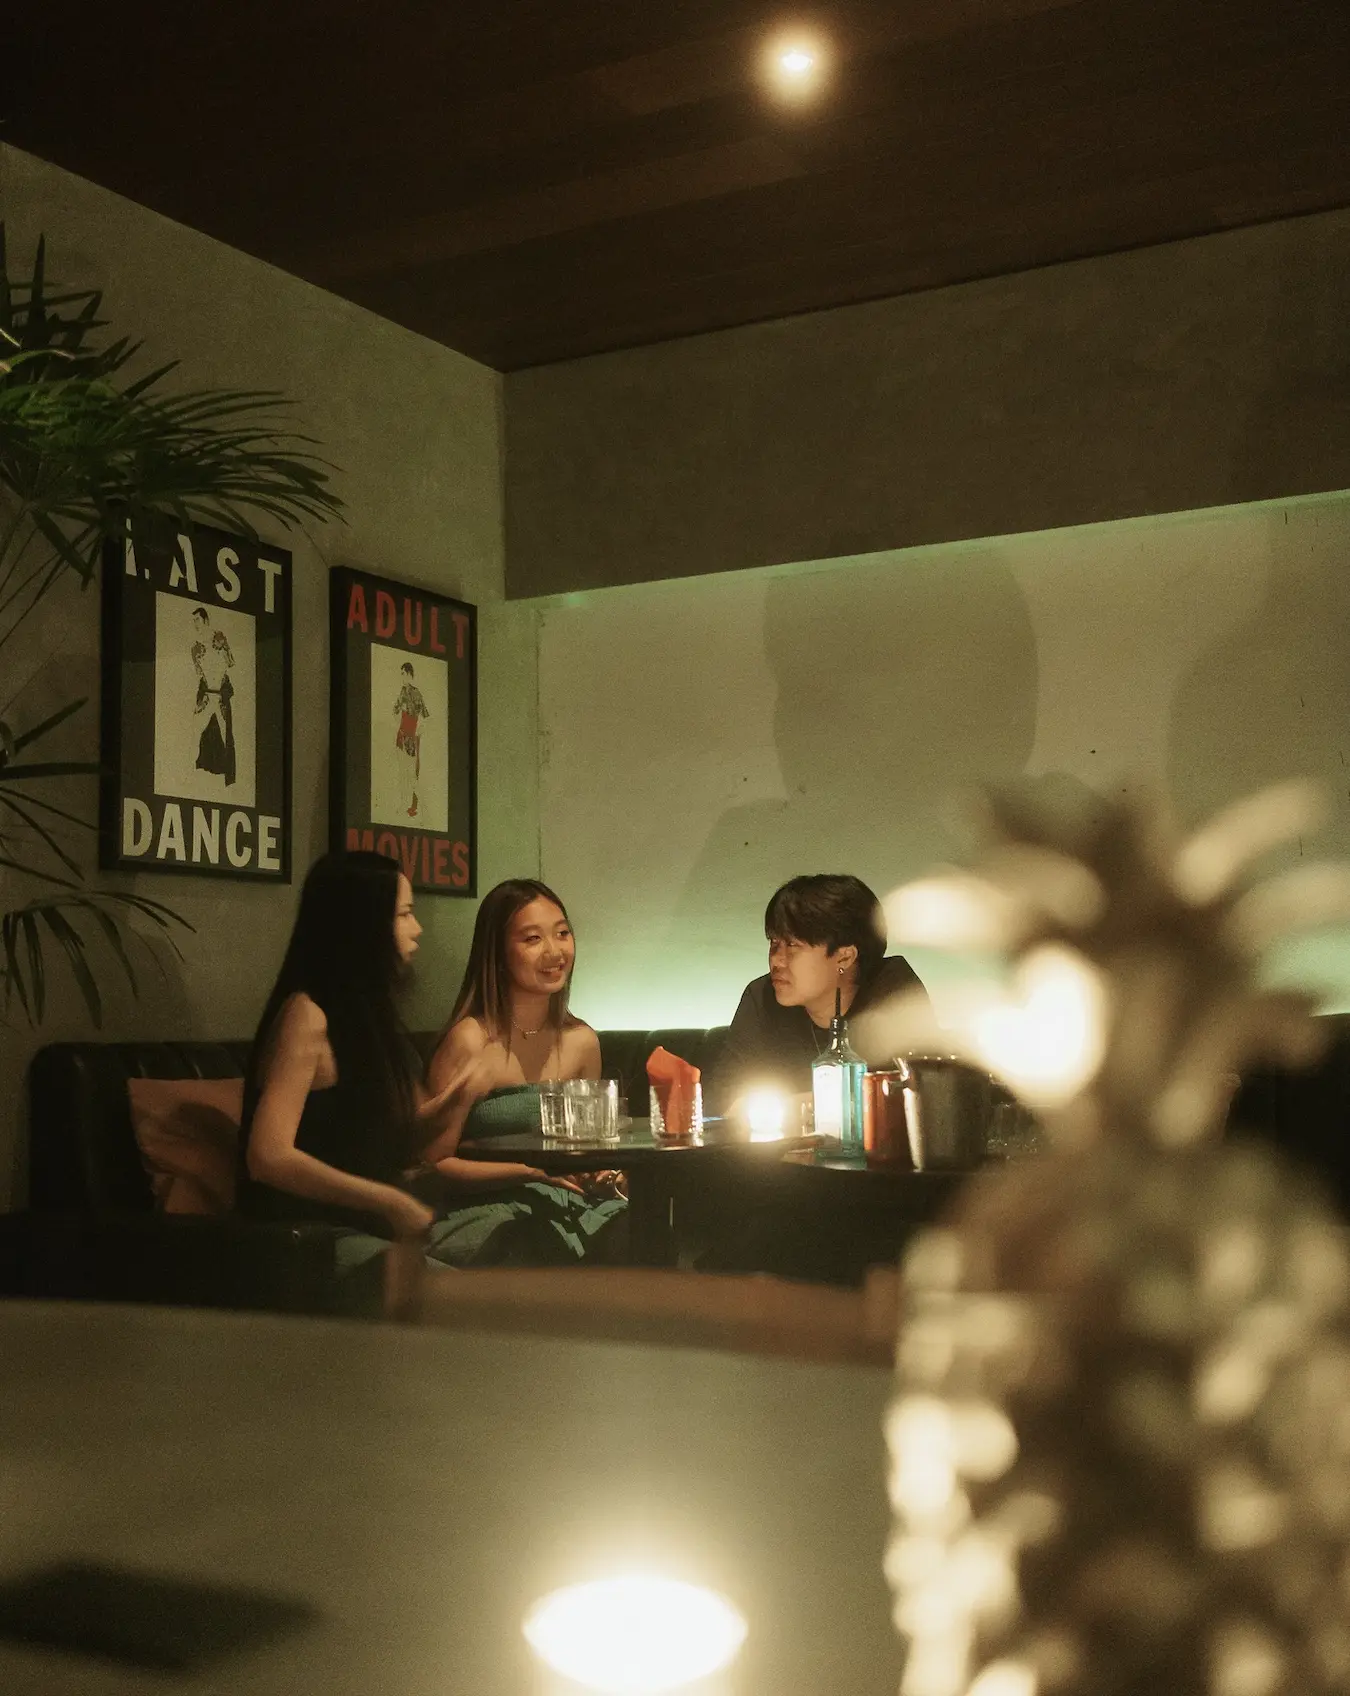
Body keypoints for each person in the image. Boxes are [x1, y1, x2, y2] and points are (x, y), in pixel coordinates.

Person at [420, 878, 624, 1255]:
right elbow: (433, 1165)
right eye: (532, 939)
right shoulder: (471, 1040)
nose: (554, 951)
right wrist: (527, 1173)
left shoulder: (582, 1041)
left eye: (562, 933)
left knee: (639, 1229)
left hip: (569, 1206)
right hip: (487, 1209)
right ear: (497, 954)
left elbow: (589, 1155)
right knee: (534, 1242)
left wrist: (602, 1175)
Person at [715, 873, 930, 1108]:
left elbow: (916, 1098)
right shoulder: (763, 998)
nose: (776, 960)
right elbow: (726, 1100)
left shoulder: (896, 996)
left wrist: (796, 1106)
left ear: (845, 957)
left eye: (792, 945)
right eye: (774, 943)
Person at [191, 604, 236, 785]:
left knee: (226, 734)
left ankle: (227, 778)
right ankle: (195, 776)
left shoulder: (219, 637)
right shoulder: (195, 647)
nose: (195, 624)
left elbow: (230, 662)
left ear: (206, 620)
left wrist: (222, 649)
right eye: (193, 621)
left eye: (197, 620)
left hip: (220, 696)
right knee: (197, 733)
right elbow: (199, 674)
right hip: (207, 695)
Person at [393, 660, 428, 819]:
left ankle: (424, 809)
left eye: (402, 673)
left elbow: (425, 716)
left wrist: (419, 731)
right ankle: (403, 805)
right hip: (401, 736)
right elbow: (395, 710)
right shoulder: (403, 691)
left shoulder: (416, 693)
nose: (401, 677)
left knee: (411, 778)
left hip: (410, 740)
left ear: (408, 674)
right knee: (402, 775)